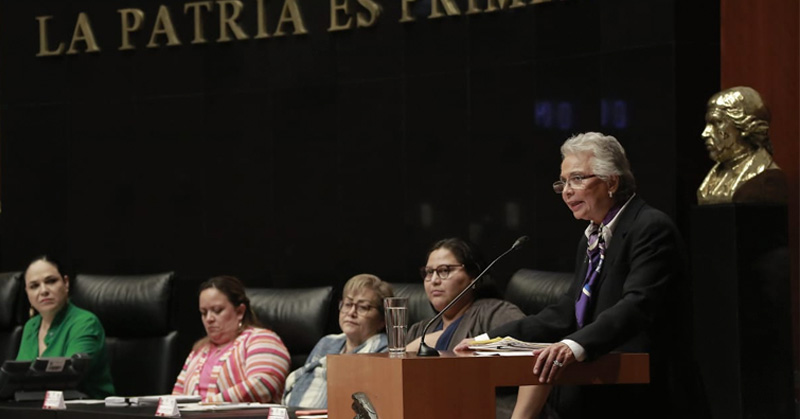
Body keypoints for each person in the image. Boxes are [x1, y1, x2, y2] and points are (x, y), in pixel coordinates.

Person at [456, 132, 698, 419]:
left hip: (649, 394)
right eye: (563, 182)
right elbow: (567, 312)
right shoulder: (591, 238)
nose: (567, 191)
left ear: (611, 182)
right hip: (598, 391)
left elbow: (637, 304)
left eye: (577, 179)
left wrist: (573, 345)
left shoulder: (650, 227)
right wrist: (488, 341)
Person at [172, 276, 290, 403]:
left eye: (217, 311)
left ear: (240, 312)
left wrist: (207, 404)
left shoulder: (262, 339)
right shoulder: (199, 350)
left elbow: (263, 384)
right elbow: (177, 396)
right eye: (204, 313)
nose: (209, 319)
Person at [282, 274, 393, 408]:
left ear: (382, 320)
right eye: (348, 304)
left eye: (363, 307)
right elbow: (302, 382)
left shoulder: (384, 351)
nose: (351, 312)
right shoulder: (327, 342)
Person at [16, 256, 115, 398]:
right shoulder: (30, 326)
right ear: (27, 293)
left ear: (66, 283)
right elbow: (17, 376)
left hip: (84, 407)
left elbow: (67, 379)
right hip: (36, 406)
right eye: (34, 286)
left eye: (51, 281)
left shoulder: (86, 323)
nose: (43, 290)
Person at [405, 238, 525, 353]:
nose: (434, 280)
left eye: (445, 270)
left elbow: (528, 344)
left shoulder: (496, 313)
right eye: (429, 272)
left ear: (473, 276)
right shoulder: (419, 330)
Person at [697, 86, 787, 205]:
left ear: (745, 127)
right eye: (708, 124)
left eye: (717, 123)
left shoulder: (766, 179)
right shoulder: (710, 182)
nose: (705, 133)